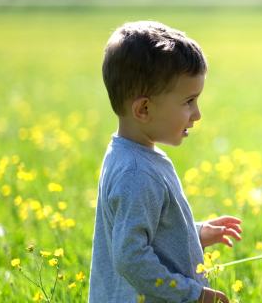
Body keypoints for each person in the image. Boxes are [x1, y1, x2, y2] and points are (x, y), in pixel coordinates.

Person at [89, 21, 242, 303]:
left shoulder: (132, 157)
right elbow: (131, 258)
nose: (197, 114)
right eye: (189, 101)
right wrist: (192, 294)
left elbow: (149, 233)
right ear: (144, 109)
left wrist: (195, 234)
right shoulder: (136, 173)